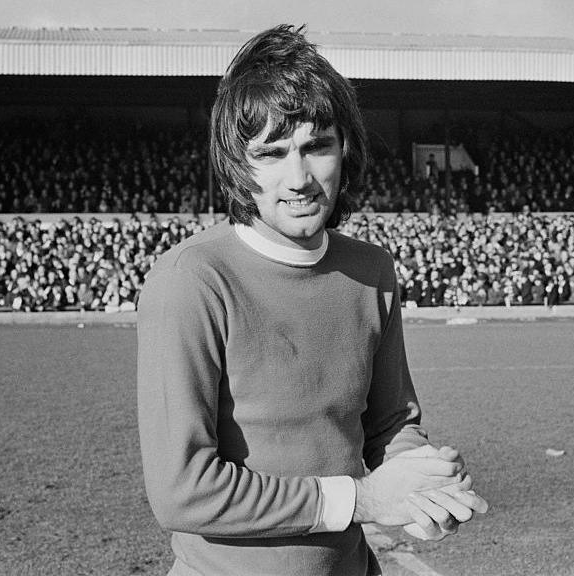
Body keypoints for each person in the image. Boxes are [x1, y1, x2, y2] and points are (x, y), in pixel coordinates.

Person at [136, 25, 487, 576]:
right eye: (271, 153)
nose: (298, 177)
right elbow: (182, 490)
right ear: (237, 166)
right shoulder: (191, 281)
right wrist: (366, 499)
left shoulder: (372, 271)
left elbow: (388, 423)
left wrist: (423, 480)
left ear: (345, 149)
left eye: (315, 146)